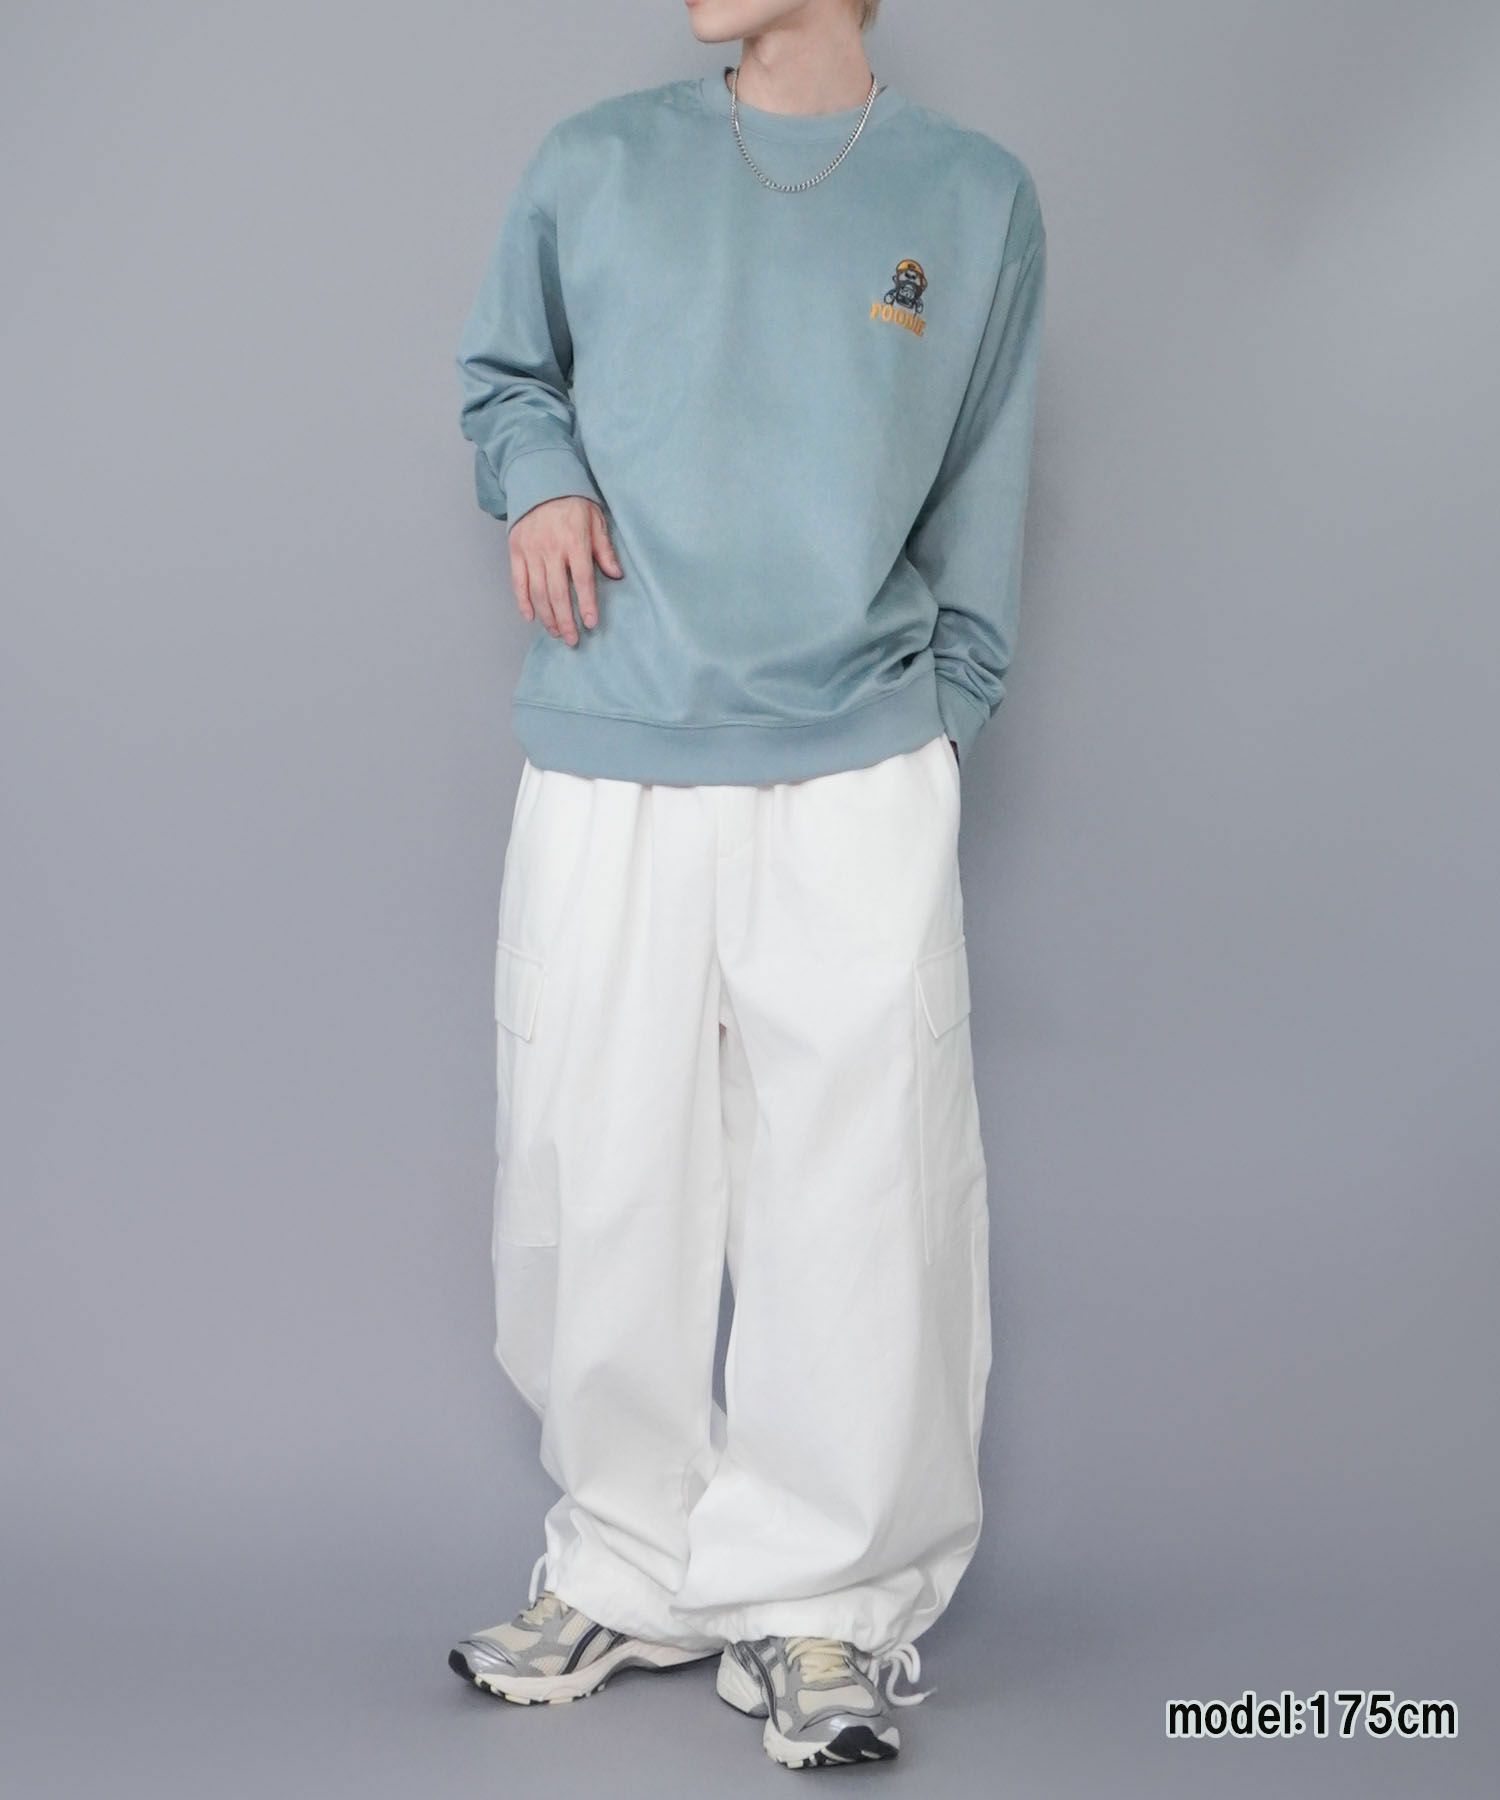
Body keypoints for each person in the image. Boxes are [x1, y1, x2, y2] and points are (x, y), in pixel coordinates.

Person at [448, 0, 1045, 1768]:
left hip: (857, 761)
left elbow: (988, 472)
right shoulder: (596, 163)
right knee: (595, 1172)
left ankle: (824, 1604)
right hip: (613, 740)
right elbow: (506, 375)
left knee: (862, 1191)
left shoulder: (972, 197)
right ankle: (624, 1564)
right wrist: (538, 485)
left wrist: (941, 724)